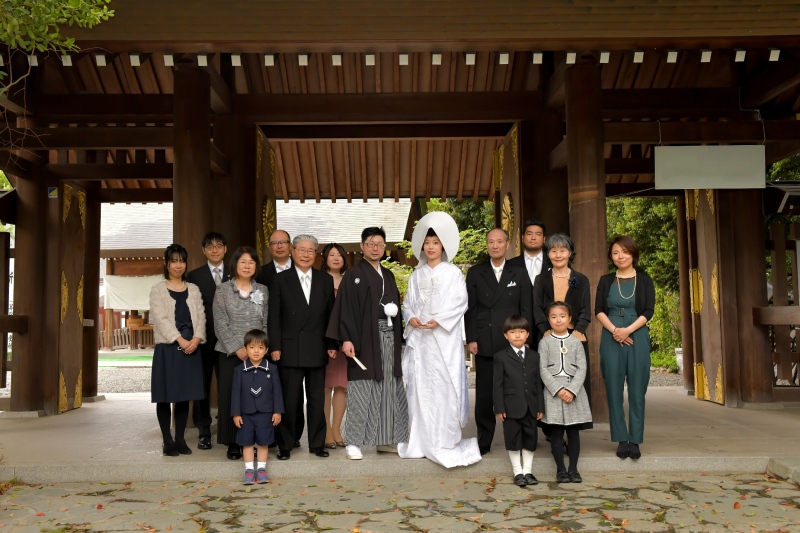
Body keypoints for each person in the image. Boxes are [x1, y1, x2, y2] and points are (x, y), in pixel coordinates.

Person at [398, 212, 481, 468]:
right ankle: (421, 440)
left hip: (444, 341)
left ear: (443, 245)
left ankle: (445, 440)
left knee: (445, 388)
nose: (431, 247)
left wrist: (440, 320)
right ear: (422, 246)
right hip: (421, 342)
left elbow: (461, 303)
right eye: (427, 242)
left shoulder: (453, 273)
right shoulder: (415, 275)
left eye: (435, 242)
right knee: (421, 389)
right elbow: (408, 304)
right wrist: (410, 317)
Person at [326, 226, 409, 460]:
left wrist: (399, 339)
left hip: (388, 338)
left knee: (390, 389)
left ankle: (385, 440)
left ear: (385, 248)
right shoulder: (353, 274)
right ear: (361, 247)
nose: (375, 248)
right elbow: (345, 309)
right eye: (370, 243)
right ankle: (354, 441)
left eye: (380, 244)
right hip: (363, 340)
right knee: (362, 391)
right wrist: (346, 339)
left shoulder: (389, 275)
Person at [269, 234, 337, 460]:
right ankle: (286, 444)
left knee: (317, 399)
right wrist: (275, 346)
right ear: (292, 252)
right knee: (290, 399)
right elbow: (274, 317)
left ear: (316, 254)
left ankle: (317, 443)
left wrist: (331, 343)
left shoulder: (325, 280)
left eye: (311, 251)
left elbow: (330, 316)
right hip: (289, 348)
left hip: (317, 346)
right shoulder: (280, 279)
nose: (306, 254)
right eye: (302, 250)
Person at [465, 228, 533, 455]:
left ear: (507, 244)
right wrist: (472, 338)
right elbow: (471, 309)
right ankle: (484, 440)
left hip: (513, 339)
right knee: (484, 395)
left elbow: (526, 308)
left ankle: (516, 438)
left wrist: (526, 337)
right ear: (487, 245)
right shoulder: (476, 272)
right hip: (484, 340)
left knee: (514, 391)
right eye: (491, 242)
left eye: (499, 242)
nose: (495, 245)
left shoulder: (519, 272)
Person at [595, 236, 655, 460]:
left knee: (638, 389)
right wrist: (615, 331)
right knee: (613, 388)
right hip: (611, 335)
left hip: (637, 334)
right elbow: (598, 309)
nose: (620, 256)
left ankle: (636, 439)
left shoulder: (645, 280)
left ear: (633, 254)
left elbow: (648, 310)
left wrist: (627, 330)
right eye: (615, 253)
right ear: (611, 256)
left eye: (625, 252)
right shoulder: (605, 280)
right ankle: (621, 438)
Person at [213, 246, 270, 460]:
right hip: (229, 353)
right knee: (231, 396)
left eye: (251, 262)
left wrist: (259, 349)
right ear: (235, 265)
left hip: (257, 353)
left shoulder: (262, 290)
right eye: (243, 262)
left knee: (255, 397)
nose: (247, 266)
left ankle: (256, 439)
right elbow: (220, 322)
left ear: (256, 266)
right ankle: (232, 443)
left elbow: (265, 321)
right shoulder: (223, 290)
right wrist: (238, 348)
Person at [149, 244, 206, 456]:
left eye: (182, 261)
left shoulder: (193, 289)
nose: (178, 265)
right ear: (166, 263)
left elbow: (201, 316)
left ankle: (181, 439)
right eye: (174, 261)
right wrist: (180, 340)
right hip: (169, 348)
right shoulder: (158, 289)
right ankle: (167, 440)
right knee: (165, 396)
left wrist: (197, 338)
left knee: (184, 396)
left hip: (192, 347)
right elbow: (161, 320)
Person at [256, 228, 303, 447]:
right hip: (269, 341)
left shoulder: (303, 269)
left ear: (291, 246)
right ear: (269, 247)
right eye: (275, 243)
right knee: (270, 390)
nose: (280, 246)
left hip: (298, 342)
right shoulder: (261, 273)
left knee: (293, 392)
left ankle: (293, 436)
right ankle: (272, 436)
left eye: (284, 242)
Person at [186, 232, 232, 450]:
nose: (215, 249)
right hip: (203, 339)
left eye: (219, 245)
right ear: (203, 250)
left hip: (229, 341)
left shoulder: (235, 273)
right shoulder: (194, 276)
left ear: (225, 249)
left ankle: (227, 427)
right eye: (210, 246)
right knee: (201, 386)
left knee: (228, 384)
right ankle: (204, 431)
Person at [532, 234, 592, 397]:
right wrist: (545, 331)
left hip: (575, 335)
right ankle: (550, 421)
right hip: (548, 335)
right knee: (549, 377)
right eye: (553, 251)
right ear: (548, 254)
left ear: (570, 253)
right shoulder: (541, 279)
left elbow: (586, 309)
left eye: (563, 250)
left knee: (577, 378)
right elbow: (536, 308)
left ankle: (578, 420)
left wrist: (579, 332)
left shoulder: (581, 279)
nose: (558, 255)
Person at [539, 301, 592, 484]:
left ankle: (573, 469)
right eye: (553, 317)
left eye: (562, 316)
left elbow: (582, 368)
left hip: (574, 391)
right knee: (556, 432)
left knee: (573, 432)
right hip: (553, 392)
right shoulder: (544, 343)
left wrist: (571, 390)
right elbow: (543, 369)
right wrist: (558, 389)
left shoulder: (576, 342)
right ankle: (561, 470)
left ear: (570, 319)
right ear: (548, 320)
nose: (558, 320)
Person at [493, 315, 543, 487]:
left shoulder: (534, 356)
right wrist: (499, 407)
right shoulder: (500, 357)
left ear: (527, 334)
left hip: (531, 406)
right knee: (513, 440)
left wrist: (540, 406)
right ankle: (517, 472)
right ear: (506, 335)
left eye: (522, 332)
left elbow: (538, 383)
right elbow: (497, 385)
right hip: (510, 407)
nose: (517, 335)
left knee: (530, 439)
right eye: (513, 332)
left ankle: (528, 471)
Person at [232, 329, 284, 485]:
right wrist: (236, 414)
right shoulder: (239, 370)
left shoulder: (272, 369)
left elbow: (277, 392)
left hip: (265, 413)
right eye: (252, 347)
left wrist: (277, 411)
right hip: (245, 413)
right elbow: (235, 394)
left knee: (263, 442)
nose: (256, 351)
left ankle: (261, 469)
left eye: (261, 347)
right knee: (246, 442)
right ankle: (249, 470)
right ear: (245, 348)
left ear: (266, 350)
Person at [321, 243, 348, 449]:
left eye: (339, 255)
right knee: (324, 387)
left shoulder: (350, 280)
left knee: (342, 386)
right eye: (331, 255)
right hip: (324, 341)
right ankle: (326, 431)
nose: (336, 258)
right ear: (324, 258)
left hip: (346, 341)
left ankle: (337, 429)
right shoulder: (319, 280)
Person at [508, 218, 549, 287]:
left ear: (544, 239)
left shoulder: (552, 263)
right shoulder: (510, 265)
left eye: (538, 234)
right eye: (529, 234)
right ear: (522, 238)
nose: (533, 238)